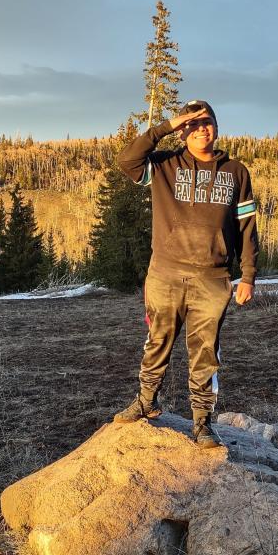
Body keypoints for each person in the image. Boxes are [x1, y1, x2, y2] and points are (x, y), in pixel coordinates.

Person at [113, 100, 258, 448]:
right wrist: (165, 127)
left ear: (216, 127)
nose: (201, 129)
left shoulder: (236, 172)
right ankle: (147, 401)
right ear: (183, 130)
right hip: (165, 274)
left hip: (213, 278)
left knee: (206, 353)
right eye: (193, 124)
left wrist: (249, 274)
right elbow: (126, 160)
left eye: (207, 122)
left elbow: (247, 226)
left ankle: (203, 422)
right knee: (157, 341)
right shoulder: (165, 165)